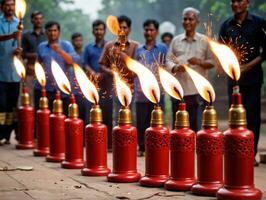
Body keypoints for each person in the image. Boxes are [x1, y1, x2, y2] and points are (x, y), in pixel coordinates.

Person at [218, 0, 266, 166]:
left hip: (253, 78)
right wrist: (228, 68)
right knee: (235, 115)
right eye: (233, 1)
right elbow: (221, 50)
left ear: (248, 3)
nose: (236, 4)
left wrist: (247, 66)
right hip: (233, 79)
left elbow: (265, 52)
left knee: (252, 116)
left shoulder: (259, 23)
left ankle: (250, 154)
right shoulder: (226, 25)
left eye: (240, 0)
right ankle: (235, 152)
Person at [166, 7, 214, 132]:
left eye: (191, 19)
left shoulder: (204, 40)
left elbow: (212, 62)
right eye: (185, 19)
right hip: (178, 91)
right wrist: (176, 67)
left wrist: (199, 62)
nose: (187, 22)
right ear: (182, 21)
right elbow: (168, 61)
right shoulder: (175, 41)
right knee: (179, 126)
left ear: (197, 22)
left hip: (197, 91)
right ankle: (179, 150)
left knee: (195, 125)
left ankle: (194, 150)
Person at [99, 15, 139, 151]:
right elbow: (102, 64)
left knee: (131, 115)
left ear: (129, 29)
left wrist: (123, 56)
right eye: (119, 27)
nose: (122, 30)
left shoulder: (135, 46)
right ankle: (117, 144)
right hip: (114, 87)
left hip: (131, 86)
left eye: (124, 27)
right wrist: (111, 72)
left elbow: (137, 66)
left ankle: (131, 144)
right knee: (116, 115)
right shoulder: (109, 45)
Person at [134, 19, 167, 157]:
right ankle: (142, 147)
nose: (149, 32)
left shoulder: (163, 48)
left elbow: (167, 66)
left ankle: (155, 146)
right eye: (146, 29)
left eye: (151, 30)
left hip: (158, 92)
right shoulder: (138, 50)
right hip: (141, 93)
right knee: (141, 121)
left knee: (156, 120)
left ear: (156, 32)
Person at [35, 21, 78, 115]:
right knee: (44, 117)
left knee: (63, 117)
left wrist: (59, 51)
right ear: (46, 32)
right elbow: (38, 64)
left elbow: (72, 62)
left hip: (62, 90)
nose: (52, 33)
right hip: (45, 88)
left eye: (55, 30)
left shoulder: (66, 45)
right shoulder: (41, 46)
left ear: (59, 32)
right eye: (50, 31)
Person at [0, 0, 22, 145]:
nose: (10, 7)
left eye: (12, 5)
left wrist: (20, 50)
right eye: (7, 5)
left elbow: (22, 43)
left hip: (15, 73)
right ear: (2, 7)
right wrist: (11, 36)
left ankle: (7, 135)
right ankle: (0, 133)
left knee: (11, 106)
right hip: (0, 72)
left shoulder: (19, 23)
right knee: (0, 105)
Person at [22, 11, 47, 107]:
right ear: (32, 20)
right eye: (36, 19)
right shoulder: (26, 35)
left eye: (40, 18)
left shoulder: (46, 35)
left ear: (43, 20)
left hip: (44, 70)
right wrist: (36, 55)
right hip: (30, 70)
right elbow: (23, 54)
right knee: (30, 96)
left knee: (44, 95)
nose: (38, 21)